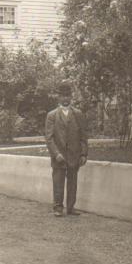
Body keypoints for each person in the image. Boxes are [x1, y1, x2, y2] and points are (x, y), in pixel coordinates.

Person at [45, 81, 88, 217]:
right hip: (59, 156)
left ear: (71, 97)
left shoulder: (78, 114)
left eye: (68, 96)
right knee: (58, 182)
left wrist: (83, 154)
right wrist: (56, 153)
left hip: (74, 155)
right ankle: (58, 208)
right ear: (58, 97)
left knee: (73, 182)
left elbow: (83, 136)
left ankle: (71, 207)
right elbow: (49, 138)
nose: (65, 98)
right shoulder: (52, 115)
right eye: (63, 96)